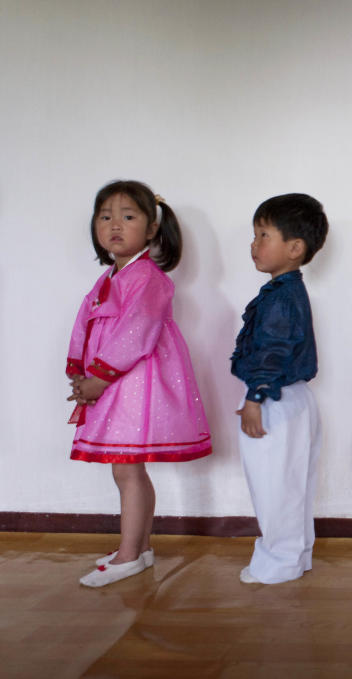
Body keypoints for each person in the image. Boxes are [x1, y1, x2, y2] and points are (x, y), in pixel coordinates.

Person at [67, 180, 211, 587]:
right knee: (126, 470)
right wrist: (80, 373)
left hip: (135, 385)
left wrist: (99, 379)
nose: (115, 224)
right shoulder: (109, 278)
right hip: (111, 383)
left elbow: (137, 333)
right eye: (105, 216)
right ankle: (138, 548)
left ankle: (131, 553)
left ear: (151, 229)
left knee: (127, 470)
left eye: (128, 216)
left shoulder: (147, 277)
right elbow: (85, 324)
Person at [231, 193, 327, 584]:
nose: (254, 245)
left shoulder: (280, 298)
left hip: (274, 396)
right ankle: (296, 555)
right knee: (293, 483)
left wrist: (256, 396)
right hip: (296, 397)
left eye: (263, 235)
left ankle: (277, 563)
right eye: (254, 235)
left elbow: (273, 350)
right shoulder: (288, 291)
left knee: (274, 484)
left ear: (295, 248)